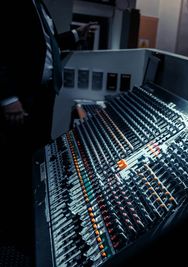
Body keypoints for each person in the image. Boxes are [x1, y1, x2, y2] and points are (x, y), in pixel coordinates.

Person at [0, 1, 96, 264]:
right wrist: (8, 98)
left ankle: (28, 230)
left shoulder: (37, 5)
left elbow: (45, 44)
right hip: (23, 100)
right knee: (18, 167)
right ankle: (16, 239)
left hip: (42, 99)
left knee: (34, 165)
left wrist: (77, 35)